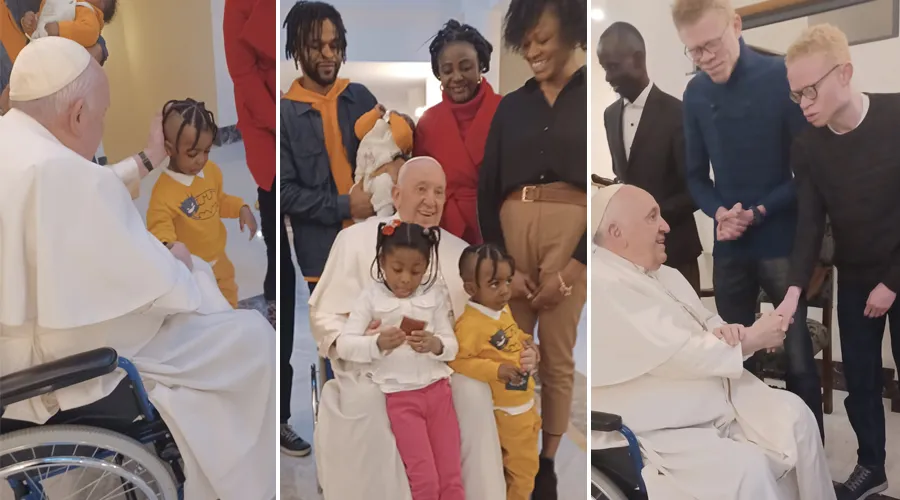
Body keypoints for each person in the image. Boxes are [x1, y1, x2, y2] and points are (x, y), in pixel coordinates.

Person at [0, 37, 275, 500]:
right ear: (78, 115)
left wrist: (147, 160)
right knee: (250, 336)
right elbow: (160, 290)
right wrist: (180, 267)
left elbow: (82, 187)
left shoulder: (17, 143)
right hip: (69, 371)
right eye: (102, 114)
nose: (101, 123)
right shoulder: (63, 173)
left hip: (14, 370)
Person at [309, 156, 537, 500]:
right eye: (421, 189)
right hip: (369, 371)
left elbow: (492, 319)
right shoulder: (354, 241)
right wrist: (361, 340)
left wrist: (524, 349)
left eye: (439, 192)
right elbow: (326, 316)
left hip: (440, 369)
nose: (431, 200)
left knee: (474, 394)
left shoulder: (462, 254)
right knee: (368, 403)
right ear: (397, 194)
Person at [591, 183, 837, 500]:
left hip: (712, 396)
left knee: (796, 417)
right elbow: (679, 353)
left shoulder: (666, 274)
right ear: (616, 232)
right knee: (747, 470)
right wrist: (752, 339)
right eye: (653, 217)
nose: (666, 226)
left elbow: (705, 322)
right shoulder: (602, 284)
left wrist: (729, 329)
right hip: (662, 424)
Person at [672, 0, 824, 436]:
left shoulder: (780, 77)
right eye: (694, 51)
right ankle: (752, 450)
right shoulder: (696, 94)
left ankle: (808, 458)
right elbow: (696, 177)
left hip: (779, 238)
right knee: (735, 355)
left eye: (712, 44)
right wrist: (718, 212)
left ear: (735, 26)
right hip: (730, 244)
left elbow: (806, 172)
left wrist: (757, 212)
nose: (706, 58)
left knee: (797, 357)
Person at [779, 24, 899, 500]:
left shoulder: (895, 115)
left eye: (811, 89)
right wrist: (792, 293)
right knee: (863, 380)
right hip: (855, 277)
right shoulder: (808, 146)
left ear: (844, 73)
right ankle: (872, 466)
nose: (804, 102)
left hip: (897, 271)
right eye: (796, 94)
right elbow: (809, 224)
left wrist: (892, 282)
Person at [478, 1, 587, 495]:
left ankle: (545, 463)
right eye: (526, 42)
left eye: (543, 38)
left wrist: (575, 263)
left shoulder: (595, 95)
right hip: (511, 236)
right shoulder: (511, 106)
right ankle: (512, 450)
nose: (534, 51)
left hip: (570, 237)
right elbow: (487, 186)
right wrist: (501, 260)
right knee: (511, 348)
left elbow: (609, 186)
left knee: (558, 358)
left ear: (570, 31)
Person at [280, 0, 377, 455]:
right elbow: (285, 193)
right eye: (316, 45)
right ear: (296, 47)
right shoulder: (285, 114)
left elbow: (388, 154)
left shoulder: (359, 97)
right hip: (323, 257)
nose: (327, 54)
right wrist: (344, 203)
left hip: (376, 249)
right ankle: (340, 449)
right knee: (336, 351)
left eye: (334, 44)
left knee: (378, 338)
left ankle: (376, 440)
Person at [338, 220, 463, 500]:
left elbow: (452, 345)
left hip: (439, 393)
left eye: (416, 271)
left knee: (452, 480)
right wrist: (377, 344)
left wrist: (436, 344)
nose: (406, 279)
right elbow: (345, 345)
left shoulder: (434, 295)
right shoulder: (370, 297)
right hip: (401, 398)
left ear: (427, 266)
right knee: (425, 482)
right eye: (397, 269)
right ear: (382, 262)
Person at [597, 21, 702, 293]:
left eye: (612, 66)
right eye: (604, 68)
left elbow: (696, 191)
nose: (607, 77)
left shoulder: (678, 114)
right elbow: (624, 179)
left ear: (639, 59)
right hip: (627, 261)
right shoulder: (609, 116)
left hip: (676, 252)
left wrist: (646, 218)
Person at [147, 99, 259, 309]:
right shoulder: (163, 193)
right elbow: (159, 231)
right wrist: (167, 245)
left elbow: (219, 201)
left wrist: (240, 208)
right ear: (169, 149)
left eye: (206, 151)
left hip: (220, 259)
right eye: (192, 154)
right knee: (205, 310)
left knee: (229, 301)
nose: (201, 160)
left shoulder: (211, 171)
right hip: (193, 271)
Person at [451, 244, 540, 500]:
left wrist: (530, 345)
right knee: (523, 472)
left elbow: (515, 336)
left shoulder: (501, 309)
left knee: (525, 465)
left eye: (508, 281)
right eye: (494, 284)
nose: (504, 290)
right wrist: (495, 370)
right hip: (507, 412)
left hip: (525, 403)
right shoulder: (470, 325)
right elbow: (457, 360)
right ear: (471, 288)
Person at [414, 20, 502, 244]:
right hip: (445, 230)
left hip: (497, 227)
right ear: (439, 75)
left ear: (480, 65)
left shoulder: (506, 110)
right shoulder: (427, 123)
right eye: (447, 70)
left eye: (465, 67)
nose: (457, 77)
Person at [223, 0, 277, 324]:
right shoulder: (237, 7)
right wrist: (277, 123)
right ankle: (274, 312)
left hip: (283, 116)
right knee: (275, 245)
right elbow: (243, 74)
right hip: (265, 129)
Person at [354, 105, 415, 219]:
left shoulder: (400, 143)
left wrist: (394, 115)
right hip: (361, 181)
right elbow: (359, 130)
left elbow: (403, 135)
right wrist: (375, 113)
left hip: (384, 181)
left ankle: (383, 217)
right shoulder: (375, 133)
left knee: (384, 183)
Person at [21, 0, 117, 48]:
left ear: (100, 7)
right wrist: (31, 23)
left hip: (55, 54)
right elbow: (42, 21)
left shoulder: (87, 10)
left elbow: (90, 32)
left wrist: (60, 29)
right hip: (34, 47)